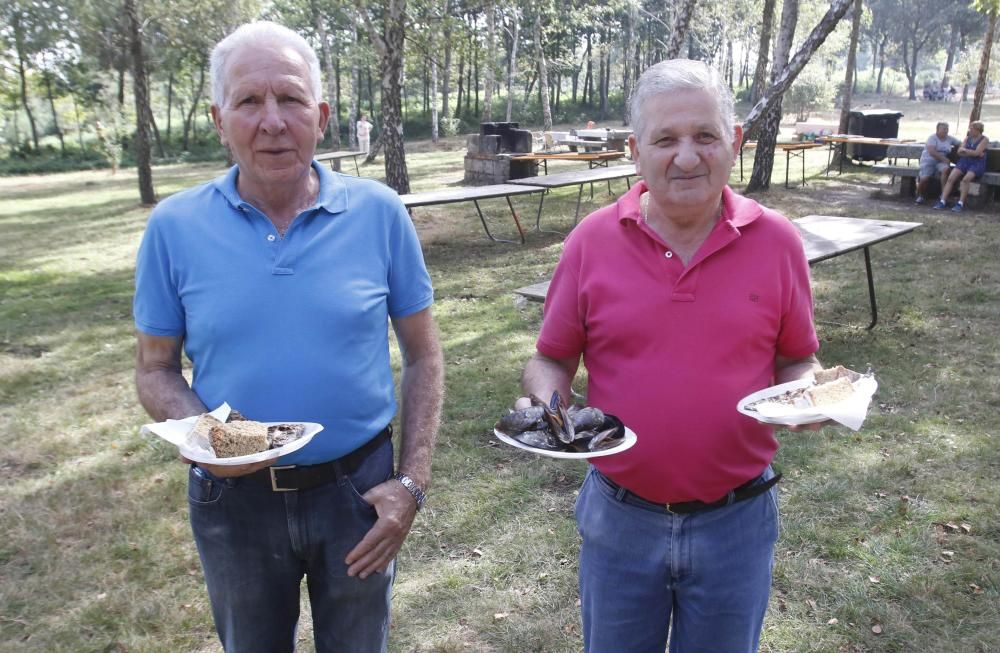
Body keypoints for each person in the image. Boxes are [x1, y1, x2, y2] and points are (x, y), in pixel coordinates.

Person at [133, 21, 443, 653]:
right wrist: (211, 440)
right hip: (234, 501)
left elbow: (424, 353)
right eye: (249, 101)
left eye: (291, 98)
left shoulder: (380, 213)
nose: (272, 120)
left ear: (321, 115)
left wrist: (411, 484)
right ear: (221, 119)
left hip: (357, 493)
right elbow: (155, 368)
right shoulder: (174, 227)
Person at [512, 59, 826, 653]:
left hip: (736, 521)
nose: (687, 157)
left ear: (733, 142)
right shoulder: (592, 241)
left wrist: (808, 395)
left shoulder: (778, 242)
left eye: (705, 136)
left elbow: (798, 360)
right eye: (666, 139)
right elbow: (550, 359)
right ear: (636, 150)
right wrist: (548, 410)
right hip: (620, 519)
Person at [934, 120, 989, 212]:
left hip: (977, 164)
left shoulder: (984, 139)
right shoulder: (967, 138)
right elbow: (959, 151)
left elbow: (976, 153)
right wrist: (971, 152)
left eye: (971, 129)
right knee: (951, 178)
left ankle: (960, 203)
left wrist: (967, 151)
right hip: (964, 161)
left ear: (978, 130)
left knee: (966, 179)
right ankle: (942, 201)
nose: (969, 130)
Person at [915, 122, 959, 205]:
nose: (945, 131)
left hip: (941, 162)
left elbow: (959, 143)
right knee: (925, 179)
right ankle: (919, 194)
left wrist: (962, 148)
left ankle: (943, 195)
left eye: (947, 129)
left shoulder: (950, 138)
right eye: (943, 129)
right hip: (929, 160)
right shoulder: (932, 138)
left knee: (946, 170)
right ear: (937, 130)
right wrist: (944, 159)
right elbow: (932, 152)